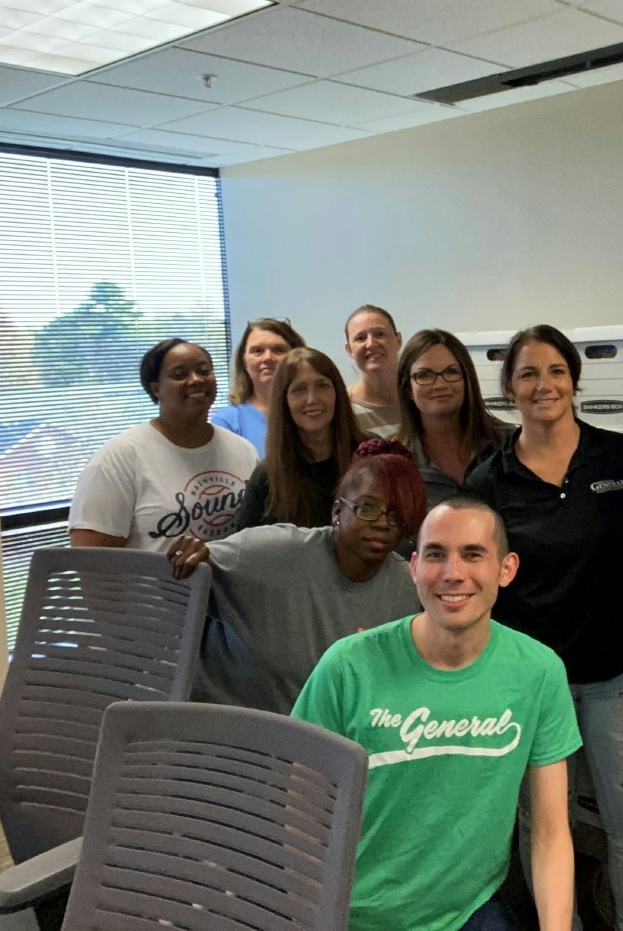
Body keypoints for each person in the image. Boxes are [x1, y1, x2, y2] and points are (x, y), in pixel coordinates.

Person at [293, 496, 582, 931]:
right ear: (413, 568)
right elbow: (298, 818)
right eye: (435, 555)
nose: (452, 573)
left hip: (468, 911)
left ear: (507, 569)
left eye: (473, 554)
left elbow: (550, 834)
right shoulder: (348, 667)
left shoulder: (538, 672)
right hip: (352, 914)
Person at [465, 325, 623, 931]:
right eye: (527, 373)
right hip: (531, 687)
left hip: (619, 678)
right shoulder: (489, 479)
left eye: (555, 370)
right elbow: (477, 582)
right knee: (546, 826)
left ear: (574, 380)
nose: (543, 384)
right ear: (508, 389)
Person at [165, 439, 423, 715]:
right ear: (337, 511)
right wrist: (189, 555)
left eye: (395, 516)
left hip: (322, 741)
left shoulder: (408, 588)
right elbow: (180, 578)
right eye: (367, 508)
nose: (382, 523)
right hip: (223, 734)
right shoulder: (270, 553)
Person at [69, 338, 258, 551]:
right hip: (155, 585)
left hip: (233, 584)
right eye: (179, 375)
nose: (196, 380)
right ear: (156, 388)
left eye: (204, 371)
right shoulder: (118, 459)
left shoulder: (243, 450)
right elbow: (92, 563)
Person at [234, 347, 365, 529]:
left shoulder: (370, 454)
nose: (312, 399)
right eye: (299, 390)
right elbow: (245, 549)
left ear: (338, 394)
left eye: (322, 386)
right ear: (284, 401)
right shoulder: (267, 476)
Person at [395, 328, 506, 511]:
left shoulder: (509, 445)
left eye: (452, 372)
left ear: (467, 379)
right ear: (407, 388)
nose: (440, 384)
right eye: (424, 375)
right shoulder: (395, 462)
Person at [211, 317, 306, 455]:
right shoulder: (227, 422)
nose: (268, 358)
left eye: (278, 350)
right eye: (257, 351)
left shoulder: (312, 411)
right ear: (243, 362)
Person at [345, 303, 403, 438]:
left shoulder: (421, 396)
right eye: (360, 338)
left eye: (380, 334)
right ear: (349, 349)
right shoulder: (343, 410)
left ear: (398, 340)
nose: (371, 343)